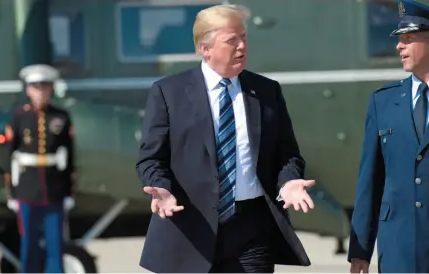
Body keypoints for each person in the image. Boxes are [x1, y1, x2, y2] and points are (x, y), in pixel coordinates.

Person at [136, 4, 316, 273]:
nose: (242, 46)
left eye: (244, 37)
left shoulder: (266, 91)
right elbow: (150, 159)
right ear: (204, 49)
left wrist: (288, 181)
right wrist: (161, 187)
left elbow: (287, 154)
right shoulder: (168, 92)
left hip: (251, 231)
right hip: (191, 230)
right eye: (232, 40)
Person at [348, 0, 429, 273]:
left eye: (408, 39)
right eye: (399, 40)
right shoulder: (383, 102)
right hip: (398, 247)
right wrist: (360, 251)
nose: (399, 47)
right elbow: (370, 180)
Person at [3, 64, 76, 273]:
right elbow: (9, 155)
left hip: (54, 190)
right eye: (35, 87)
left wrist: (68, 191)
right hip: (27, 190)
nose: (40, 92)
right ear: (28, 90)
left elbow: (69, 156)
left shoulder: (60, 117)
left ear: (51, 89)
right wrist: (12, 192)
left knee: (55, 247)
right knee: (29, 246)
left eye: (44, 87)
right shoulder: (19, 117)